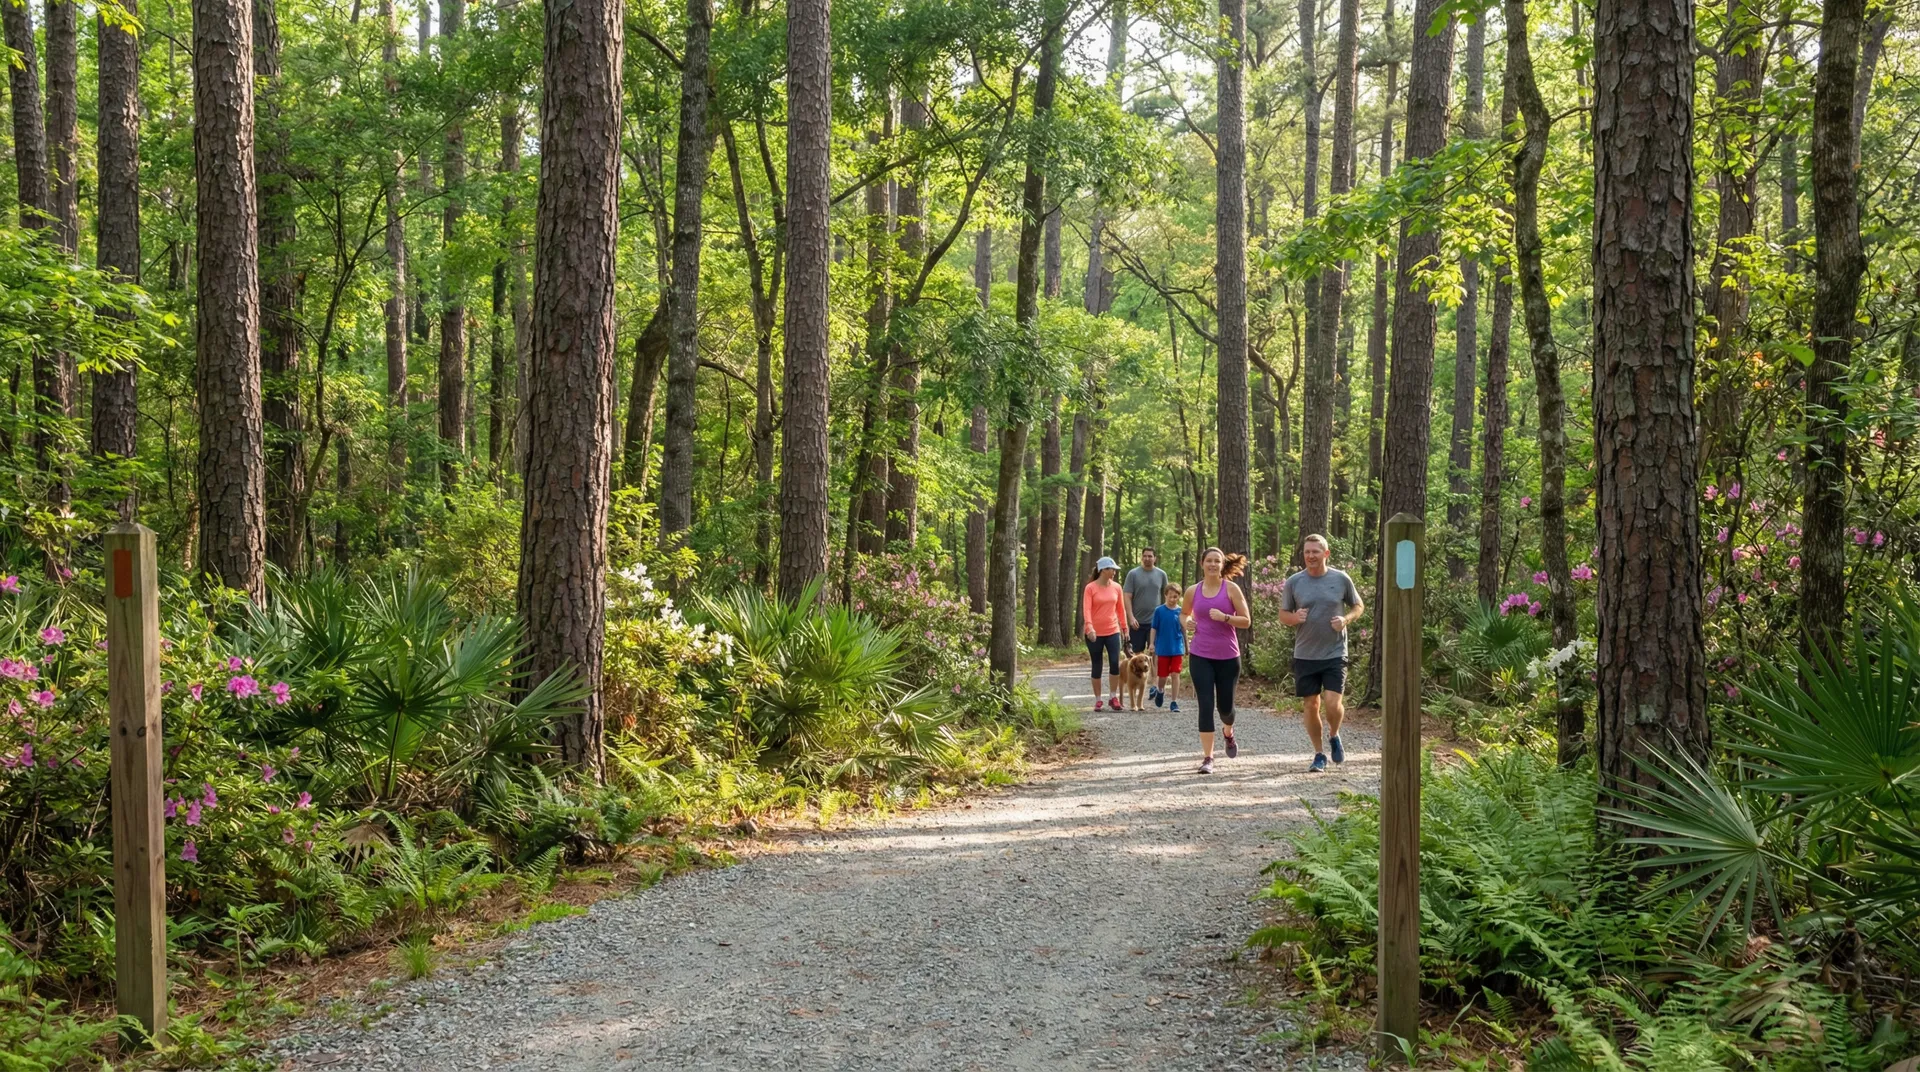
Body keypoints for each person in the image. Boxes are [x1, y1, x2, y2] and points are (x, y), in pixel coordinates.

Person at [1279, 534, 1365, 773]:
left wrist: (1346, 619)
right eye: (1307, 552)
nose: (1310, 556)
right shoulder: (1294, 582)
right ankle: (1319, 754)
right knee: (1310, 705)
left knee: (1332, 703)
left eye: (1315, 551)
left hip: (1335, 652)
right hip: (1305, 653)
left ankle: (1334, 735)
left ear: (1326, 554)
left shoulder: (1341, 579)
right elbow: (1283, 614)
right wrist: (1295, 618)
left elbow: (1358, 606)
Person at [1182, 547, 1252, 774]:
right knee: (1205, 704)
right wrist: (1188, 622)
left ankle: (1228, 733)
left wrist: (1225, 618)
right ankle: (1208, 758)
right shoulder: (1193, 591)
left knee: (1225, 708)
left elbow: (1246, 621)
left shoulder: (1231, 589)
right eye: (1209, 561)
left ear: (1222, 565)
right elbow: (1184, 613)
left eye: (1217, 561)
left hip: (1228, 657)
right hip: (1200, 654)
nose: (1213, 564)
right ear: (1202, 563)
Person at [1082, 556, 1131, 712]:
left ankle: (1113, 696)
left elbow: (1120, 609)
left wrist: (1125, 628)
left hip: (1112, 631)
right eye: (1112, 569)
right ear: (1103, 570)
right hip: (1094, 633)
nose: (1114, 572)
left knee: (1114, 664)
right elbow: (1087, 609)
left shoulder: (1116, 587)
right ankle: (1098, 700)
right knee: (1097, 665)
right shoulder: (1090, 588)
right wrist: (1089, 628)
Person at [1122, 548, 1167, 657]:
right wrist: (1131, 617)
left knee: (1155, 652)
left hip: (1155, 622)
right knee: (1137, 655)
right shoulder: (1133, 574)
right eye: (1145, 556)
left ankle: (1153, 674)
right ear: (1142, 557)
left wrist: (1165, 617)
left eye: (1150, 556)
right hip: (1137, 622)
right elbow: (1127, 596)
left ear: (1155, 558)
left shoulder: (1161, 575)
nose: (1147, 558)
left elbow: (1167, 596)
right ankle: (1139, 674)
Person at [1149, 583, 1185, 712]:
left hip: (1177, 648)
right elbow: (1154, 628)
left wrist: (1187, 645)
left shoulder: (1181, 611)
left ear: (1179, 597)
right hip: (1163, 648)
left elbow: (1184, 629)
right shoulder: (1159, 610)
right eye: (1170, 596)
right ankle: (1160, 690)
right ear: (1165, 595)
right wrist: (1152, 643)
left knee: (1176, 674)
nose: (1172, 599)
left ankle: (1174, 702)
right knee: (1162, 676)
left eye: (1175, 597)